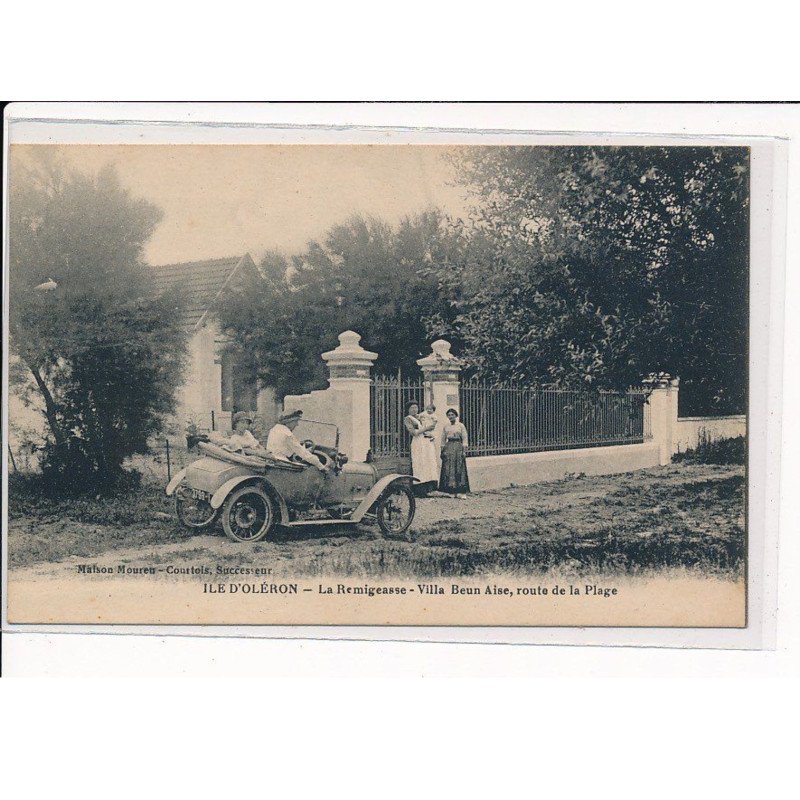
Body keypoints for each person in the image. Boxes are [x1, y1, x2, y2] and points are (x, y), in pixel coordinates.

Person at [404, 401, 439, 495]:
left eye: (416, 407)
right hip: (418, 443)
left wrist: (431, 434)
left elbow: (432, 424)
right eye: (412, 408)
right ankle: (420, 490)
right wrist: (426, 429)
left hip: (427, 442)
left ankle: (430, 488)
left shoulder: (422, 416)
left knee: (429, 462)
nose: (414, 409)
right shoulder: (408, 419)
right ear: (408, 409)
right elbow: (413, 433)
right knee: (420, 463)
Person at [440, 408, 470, 498]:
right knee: (449, 468)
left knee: (459, 467)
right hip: (449, 447)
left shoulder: (460, 425)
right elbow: (443, 439)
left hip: (458, 446)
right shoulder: (446, 426)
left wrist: (464, 450)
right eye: (449, 415)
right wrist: (442, 449)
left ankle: (461, 492)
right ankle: (451, 491)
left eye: (452, 415)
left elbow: (465, 438)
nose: (451, 416)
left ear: (456, 415)